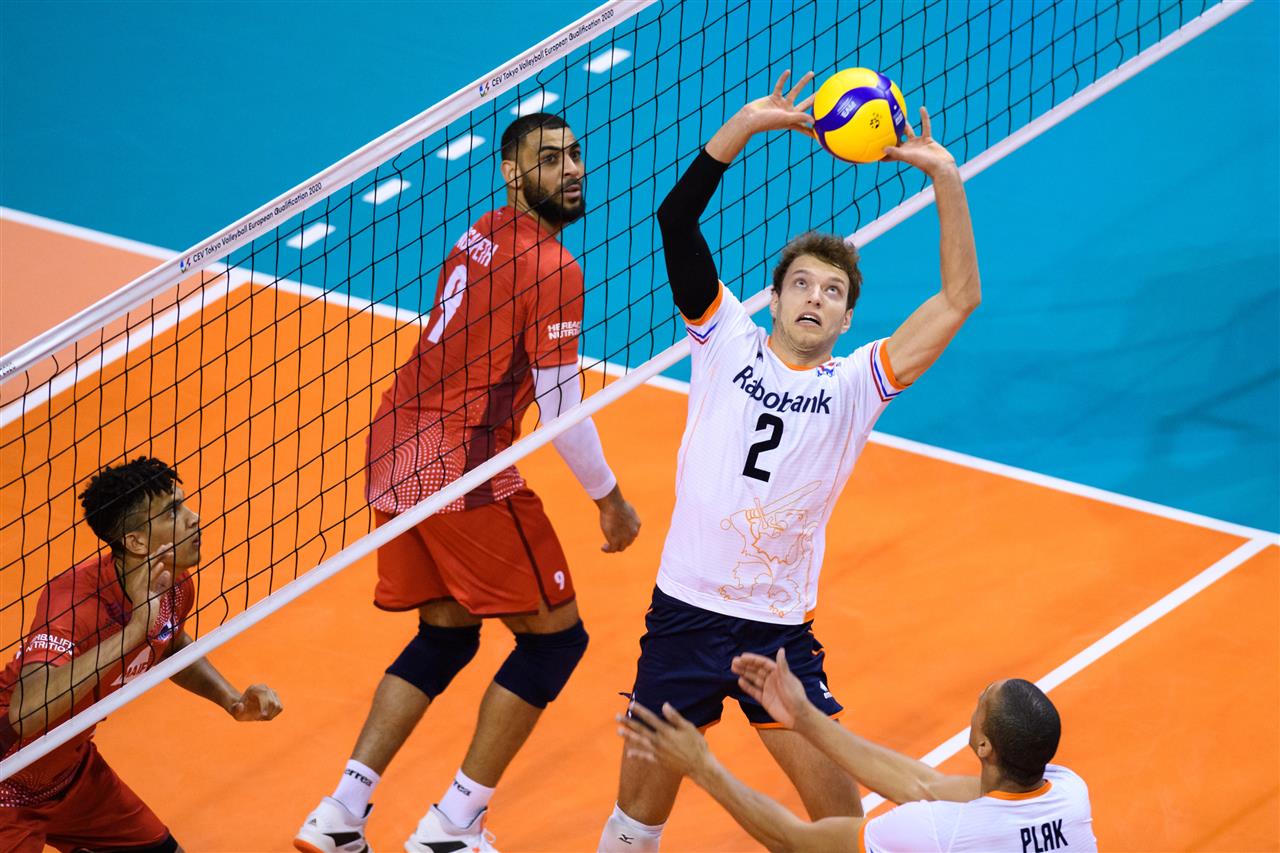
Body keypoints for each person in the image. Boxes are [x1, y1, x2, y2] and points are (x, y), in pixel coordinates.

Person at [597, 71, 982, 851]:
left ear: (847, 316)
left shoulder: (858, 383)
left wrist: (946, 176)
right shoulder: (722, 337)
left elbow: (957, 300)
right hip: (683, 614)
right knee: (635, 826)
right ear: (772, 300)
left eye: (831, 291)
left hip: (777, 631)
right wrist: (744, 124)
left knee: (845, 826)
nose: (813, 297)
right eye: (800, 284)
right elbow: (676, 218)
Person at [296, 112, 641, 853]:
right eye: (550, 159)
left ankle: (340, 813)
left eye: (574, 154)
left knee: (446, 636)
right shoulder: (555, 268)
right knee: (554, 643)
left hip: (393, 447)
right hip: (462, 467)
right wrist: (609, 499)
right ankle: (452, 826)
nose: (572, 170)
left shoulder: (480, 231)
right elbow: (560, 409)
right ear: (513, 175)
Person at [0, 457, 284, 853]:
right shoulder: (72, 603)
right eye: (173, 512)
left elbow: (167, 643)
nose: (194, 517)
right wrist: (134, 630)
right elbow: (28, 710)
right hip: (7, 779)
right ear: (134, 542)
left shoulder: (172, 585)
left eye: (183, 504)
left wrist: (231, 700)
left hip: (70, 774)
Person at [618, 649, 1098, 852]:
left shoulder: (937, 834)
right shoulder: (1069, 794)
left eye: (981, 703)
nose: (976, 700)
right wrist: (805, 719)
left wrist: (702, 767)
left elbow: (794, 841)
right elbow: (923, 784)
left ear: (984, 745)